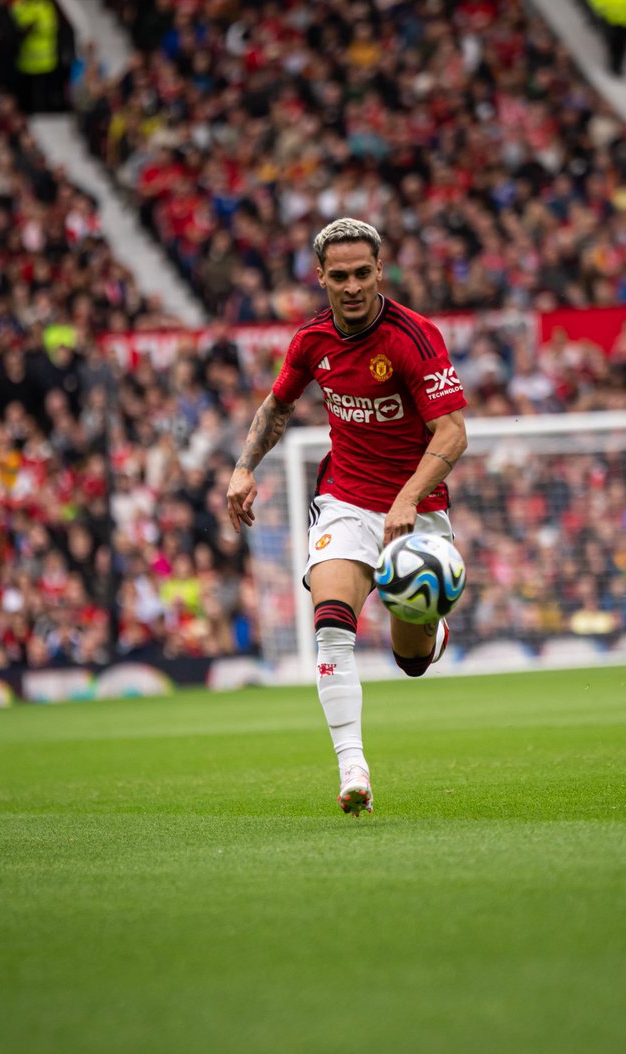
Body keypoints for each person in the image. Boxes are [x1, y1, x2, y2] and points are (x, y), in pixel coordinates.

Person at [226, 218, 468, 815]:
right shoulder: (311, 340)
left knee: (409, 662)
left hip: (416, 504)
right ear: (321, 278)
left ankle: (427, 630)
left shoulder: (414, 337)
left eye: (363, 273)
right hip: (345, 498)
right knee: (331, 622)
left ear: (380, 270)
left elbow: (453, 432)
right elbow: (277, 406)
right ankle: (352, 767)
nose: (353, 286)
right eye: (340, 276)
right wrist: (243, 466)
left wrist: (408, 499)